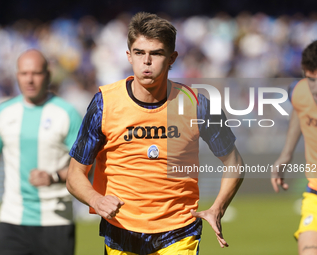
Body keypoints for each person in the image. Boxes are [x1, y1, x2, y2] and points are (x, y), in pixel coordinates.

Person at [67, 12, 244, 255]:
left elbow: (234, 162)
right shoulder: (104, 104)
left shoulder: (198, 105)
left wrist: (217, 208)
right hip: (121, 232)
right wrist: (97, 201)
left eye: (156, 53)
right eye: (139, 53)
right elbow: (75, 174)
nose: (146, 61)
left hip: (179, 232)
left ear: (172, 58)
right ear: (129, 56)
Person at [0, 49, 82, 255]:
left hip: (56, 220)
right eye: (24, 74)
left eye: (36, 73)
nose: (30, 80)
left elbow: (87, 166)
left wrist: (54, 176)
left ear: (48, 76)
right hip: (12, 220)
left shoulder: (67, 114)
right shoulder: (3, 112)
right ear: (17, 76)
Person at [272, 40, 317, 255]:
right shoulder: (299, 90)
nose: (314, 88)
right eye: (310, 79)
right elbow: (300, 111)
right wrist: (285, 155)